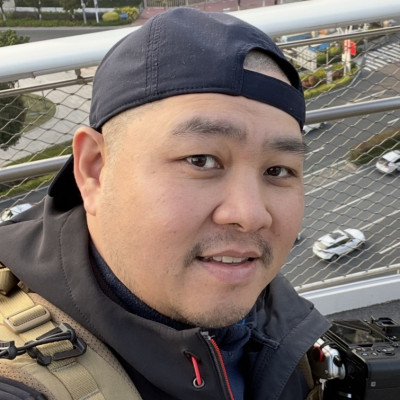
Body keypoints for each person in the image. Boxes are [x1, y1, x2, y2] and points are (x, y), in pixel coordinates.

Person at [0, 8, 330, 400]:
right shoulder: (18, 379)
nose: (250, 215)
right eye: (200, 161)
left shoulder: (278, 321)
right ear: (94, 169)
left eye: (278, 170)